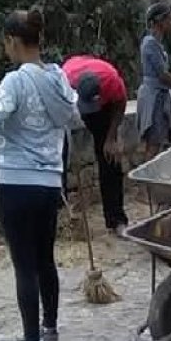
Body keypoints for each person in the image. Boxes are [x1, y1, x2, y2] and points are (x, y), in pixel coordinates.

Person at [0, 8, 80, 341]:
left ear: (14, 42)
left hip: (16, 182)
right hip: (50, 182)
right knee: (45, 258)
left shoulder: (15, 82)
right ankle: (49, 330)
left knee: (24, 265)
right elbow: (73, 116)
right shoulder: (59, 79)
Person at [62, 54, 129, 235]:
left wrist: (111, 137)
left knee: (110, 158)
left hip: (106, 109)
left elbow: (120, 103)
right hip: (68, 108)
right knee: (59, 156)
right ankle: (62, 217)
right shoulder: (64, 81)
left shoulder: (111, 81)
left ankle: (116, 219)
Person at [137, 3, 171, 159]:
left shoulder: (156, 43)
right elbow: (162, 74)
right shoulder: (150, 43)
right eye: (169, 20)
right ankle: (147, 178)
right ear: (160, 21)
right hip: (154, 97)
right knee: (154, 142)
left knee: (159, 141)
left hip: (159, 95)